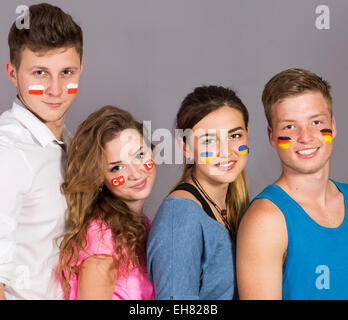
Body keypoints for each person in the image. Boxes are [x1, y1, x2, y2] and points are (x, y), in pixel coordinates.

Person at [237, 68, 348, 300]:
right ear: (271, 136)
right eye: (289, 126)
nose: (305, 136)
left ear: (333, 126)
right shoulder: (266, 219)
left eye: (316, 122)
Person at [0, 3, 83, 300]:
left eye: (66, 72)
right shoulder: (7, 152)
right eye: (40, 73)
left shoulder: (71, 145)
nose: (55, 89)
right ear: (13, 73)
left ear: (81, 70)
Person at [147, 85, 250, 299]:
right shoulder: (180, 218)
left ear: (247, 136)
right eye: (209, 140)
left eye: (235, 135)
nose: (226, 151)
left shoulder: (236, 205)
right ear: (185, 148)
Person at [57, 106, 156, 300]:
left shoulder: (142, 225)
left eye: (140, 155)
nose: (136, 174)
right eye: (117, 167)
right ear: (100, 178)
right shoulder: (101, 239)